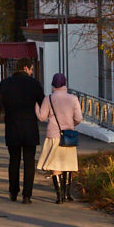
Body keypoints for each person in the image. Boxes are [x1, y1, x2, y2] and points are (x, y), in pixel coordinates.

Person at [0, 56, 45, 203]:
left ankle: (13, 192)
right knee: (29, 162)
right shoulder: (34, 84)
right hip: (30, 129)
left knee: (14, 161)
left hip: (12, 128)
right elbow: (43, 103)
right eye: (31, 69)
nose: (32, 72)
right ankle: (27, 195)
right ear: (26, 68)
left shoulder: (6, 84)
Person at [36, 72, 83, 203]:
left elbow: (42, 117)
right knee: (68, 165)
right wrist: (70, 125)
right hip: (68, 136)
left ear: (53, 84)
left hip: (54, 136)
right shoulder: (73, 99)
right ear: (65, 83)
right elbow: (79, 118)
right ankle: (67, 194)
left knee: (56, 166)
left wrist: (36, 106)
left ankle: (59, 197)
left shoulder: (49, 99)